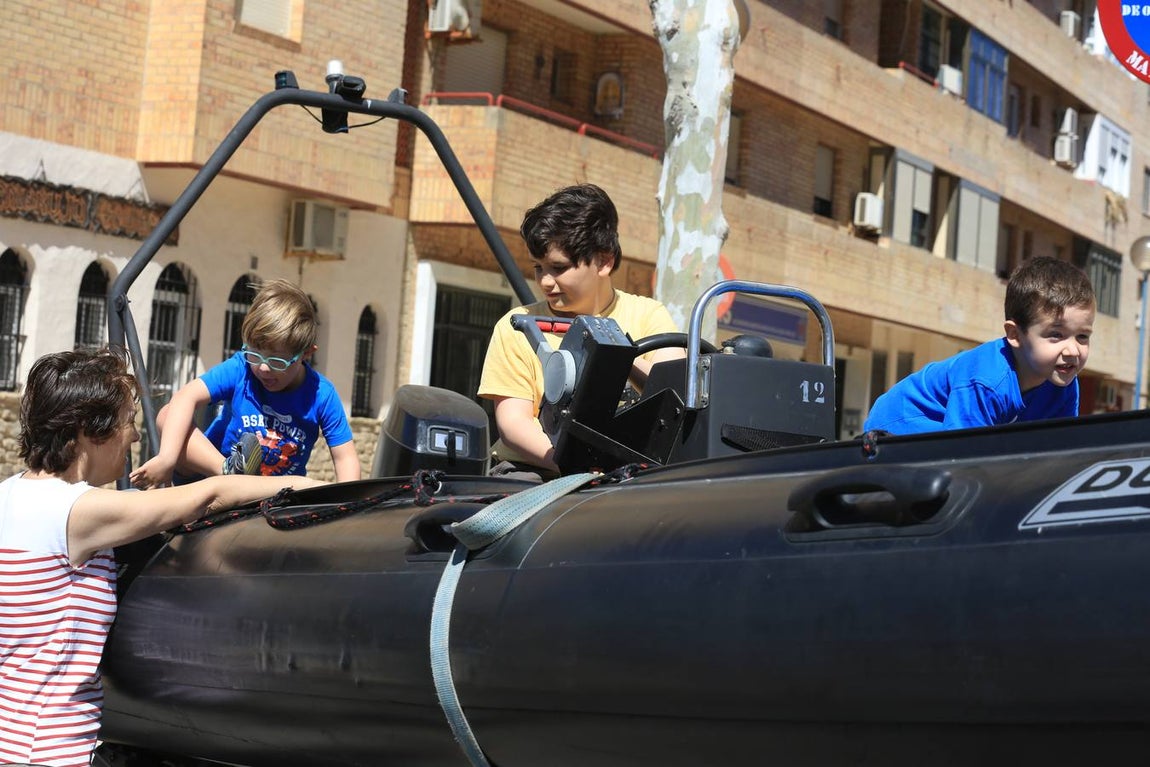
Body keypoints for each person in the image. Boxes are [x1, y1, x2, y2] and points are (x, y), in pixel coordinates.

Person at [0, 348, 324, 767]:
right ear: (86, 431)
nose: (134, 437)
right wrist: (310, 486)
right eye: (127, 422)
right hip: (46, 751)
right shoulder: (75, 512)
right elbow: (206, 496)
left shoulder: (11, 494)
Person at [478, 183, 685, 476]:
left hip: (633, 475)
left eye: (558, 268)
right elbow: (514, 423)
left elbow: (673, 394)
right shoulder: (516, 326)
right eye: (539, 268)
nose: (545, 282)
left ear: (603, 262)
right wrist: (580, 468)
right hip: (537, 472)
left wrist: (616, 354)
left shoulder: (650, 315)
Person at [130, 279, 361, 487]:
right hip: (209, 476)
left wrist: (350, 506)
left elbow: (345, 457)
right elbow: (185, 397)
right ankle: (228, 471)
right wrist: (166, 458)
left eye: (277, 361)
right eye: (255, 355)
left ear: (306, 354)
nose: (262, 368)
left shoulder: (322, 394)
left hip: (271, 492)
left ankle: (237, 479)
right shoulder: (241, 368)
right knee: (167, 414)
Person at [863, 256, 1095, 434]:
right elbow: (963, 455)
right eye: (1056, 335)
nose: (1073, 350)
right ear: (1015, 335)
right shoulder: (987, 380)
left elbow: (1056, 448)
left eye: (1082, 337)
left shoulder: (1065, 385)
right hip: (902, 425)